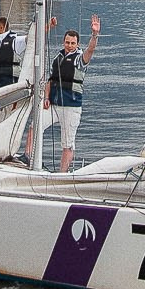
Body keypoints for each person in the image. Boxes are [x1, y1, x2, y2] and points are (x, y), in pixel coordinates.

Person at [42, 14, 100, 172]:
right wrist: (46, 97)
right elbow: (50, 80)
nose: (69, 45)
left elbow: (90, 50)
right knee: (36, 126)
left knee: (67, 143)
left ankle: (62, 173)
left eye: (72, 43)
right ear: (63, 42)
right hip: (53, 103)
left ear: (77, 44)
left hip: (71, 105)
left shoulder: (80, 59)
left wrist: (94, 34)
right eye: (67, 42)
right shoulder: (57, 58)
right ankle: (29, 158)